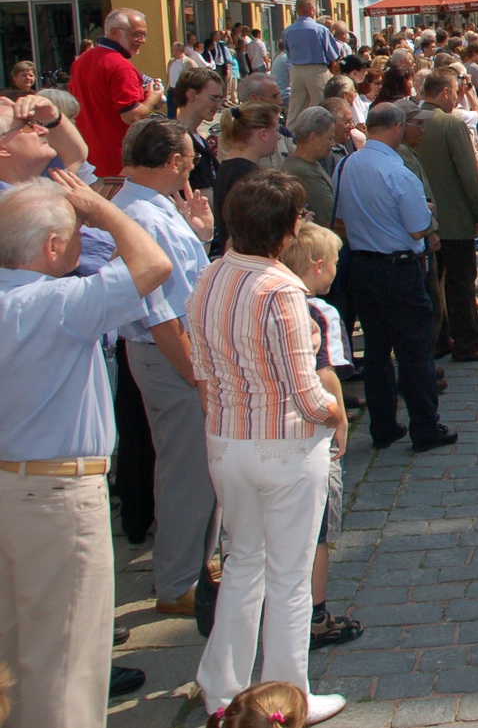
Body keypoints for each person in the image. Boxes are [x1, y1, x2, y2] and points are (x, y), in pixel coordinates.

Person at [0, 170, 171, 728]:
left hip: (12, 484)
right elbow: (152, 264)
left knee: (20, 657)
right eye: (75, 235)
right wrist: (105, 211)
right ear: (52, 247)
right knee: (69, 662)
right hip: (56, 493)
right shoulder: (55, 302)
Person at [184, 171, 347, 723]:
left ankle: (222, 686)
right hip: (282, 445)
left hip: (227, 438)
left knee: (243, 563)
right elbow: (306, 392)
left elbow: (202, 371)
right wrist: (335, 415)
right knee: (289, 574)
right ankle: (286, 697)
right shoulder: (281, 289)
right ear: (284, 232)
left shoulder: (208, 278)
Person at [112, 119, 216, 620]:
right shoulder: (144, 216)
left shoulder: (146, 206)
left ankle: (191, 564)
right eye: (191, 159)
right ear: (173, 162)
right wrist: (197, 376)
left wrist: (199, 234)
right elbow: (162, 316)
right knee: (187, 471)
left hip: (173, 347)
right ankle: (177, 581)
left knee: (192, 467)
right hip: (171, 352)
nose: (194, 167)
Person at [332, 103, 458, 454]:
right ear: (398, 128)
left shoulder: (346, 165)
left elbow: (340, 218)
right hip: (398, 267)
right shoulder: (398, 171)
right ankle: (425, 425)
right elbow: (418, 225)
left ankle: (383, 426)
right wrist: (427, 211)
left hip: (362, 265)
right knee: (414, 351)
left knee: (376, 350)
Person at [278, 221, 365, 654]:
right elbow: (326, 372)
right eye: (333, 263)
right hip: (311, 435)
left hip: (266, 438)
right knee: (317, 531)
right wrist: (342, 420)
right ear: (318, 267)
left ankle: (278, 611)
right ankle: (316, 614)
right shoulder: (318, 312)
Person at [416, 71, 478, 362]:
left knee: (433, 284)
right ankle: (468, 341)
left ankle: (441, 339)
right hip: (454, 217)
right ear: (443, 92)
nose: (457, 96)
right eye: (455, 91)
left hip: (422, 219)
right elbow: (468, 174)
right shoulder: (449, 124)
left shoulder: (410, 122)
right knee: (462, 282)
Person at [68, 7, 163, 177]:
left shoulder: (81, 61)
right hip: (119, 163)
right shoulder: (121, 66)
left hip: (88, 160)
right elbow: (131, 116)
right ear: (114, 32)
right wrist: (152, 99)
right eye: (137, 34)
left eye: (144, 35)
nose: (142, 40)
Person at [210, 102, 282, 258]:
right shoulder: (248, 176)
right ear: (263, 134)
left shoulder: (228, 167)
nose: (279, 136)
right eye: (276, 130)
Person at [281, 0, 341, 120]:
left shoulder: (288, 30)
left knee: (296, 108)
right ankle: (328, 132)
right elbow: (333, 53)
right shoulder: (319, 29)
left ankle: (290, 134)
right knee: (324, 105)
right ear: (312, 9)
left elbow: (288, 52)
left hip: (296, 70)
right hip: (316, 70)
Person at [283, 107, 337, 229]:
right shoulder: (302, 171)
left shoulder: (308, 163)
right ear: (312, 137)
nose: (333, 144)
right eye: (329, 138)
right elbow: (329, 221)